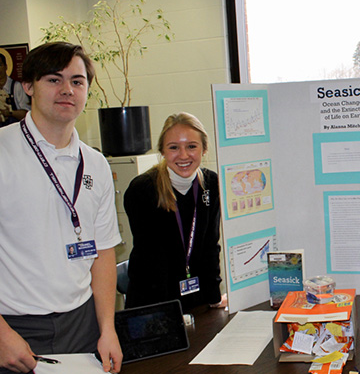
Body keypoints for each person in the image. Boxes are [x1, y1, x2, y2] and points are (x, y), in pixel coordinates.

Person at [0, 42, 122, 373]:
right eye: (54, 80)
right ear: (28, 87)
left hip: (83, 325)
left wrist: (107, 328)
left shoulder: (95, 163)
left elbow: (104, 252)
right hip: (14, 327)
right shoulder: (3, 151)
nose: (67, 90)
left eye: (77, 81)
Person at [124, 112, 226, 312]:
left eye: (191, 146)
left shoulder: (211, 184)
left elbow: (210, 247)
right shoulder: (143, 190)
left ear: (204, 149)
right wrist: (168, 314)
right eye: (173, 147)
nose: (183, 155)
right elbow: (151, 260)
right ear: (162, 150)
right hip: (154, 303)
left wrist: (213, 297)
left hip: (196, 299)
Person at [0, 54, 30, 127]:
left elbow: (26, 113)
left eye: (0, 65)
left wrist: (10, 113)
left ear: (6, 67)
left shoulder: (16, 87)